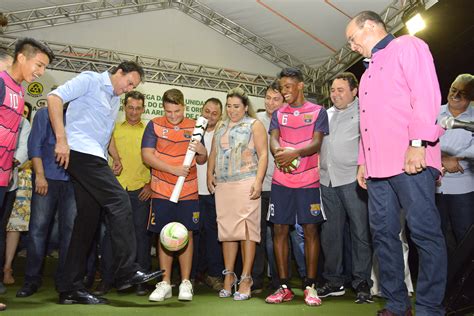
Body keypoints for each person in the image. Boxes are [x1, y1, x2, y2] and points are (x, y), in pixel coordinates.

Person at [347, 11, 447, 316]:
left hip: (410, 161)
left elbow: (427, 95)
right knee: (383, 237)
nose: (351, 46)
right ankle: (397, 304)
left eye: (352, 38)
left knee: (424, 234)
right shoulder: (366, 73)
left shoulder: (407, 45)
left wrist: (418, 144)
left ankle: (430, 308)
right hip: (377, 170)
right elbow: (368, 123)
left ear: (373, 26)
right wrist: (363, 161)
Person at [47, 61, 162, 305]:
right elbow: (54, 97)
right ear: (119, 72)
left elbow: (105, 132)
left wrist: (116, 157)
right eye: (129, 82)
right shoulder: (90, 79)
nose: (129, 88)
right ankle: (126, 270)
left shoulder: (113, 98)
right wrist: (61, 139)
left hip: (95, 155)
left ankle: (70, 287)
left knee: (87, 221)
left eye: (134, 86)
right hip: (79, 151)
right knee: (119, 201)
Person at [265, 67, 328, 307]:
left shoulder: (317, 111)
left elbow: (316, 143)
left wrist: (293, 153)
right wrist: (277, 151)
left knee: (311, 231)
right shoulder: (278, 113)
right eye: (282, 87)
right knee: (278, 231)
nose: (284, 91)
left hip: (308, 182)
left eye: (288, 87)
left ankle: (310, 285)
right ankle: (283, 287)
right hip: (282, 182)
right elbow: (273, 137)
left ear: (300, 85)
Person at [0, 40, 53, 311]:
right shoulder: (1, 82)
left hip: (3, 177)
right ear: (21, 57)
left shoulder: (18, 92)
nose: (41, 72)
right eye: (39, 65)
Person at [142, 88, 207, 302]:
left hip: (188, 192)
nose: (173, 116)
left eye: (177, 111)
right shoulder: (155, 124)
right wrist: (173, 170)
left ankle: (186, 282)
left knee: (186, 234)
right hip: (161, 190)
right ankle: (165, 283)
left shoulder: (195, 126)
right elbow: (147, 156)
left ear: (184, 107)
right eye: (169, 111)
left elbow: (202, 159)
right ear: (163, 108)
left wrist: (201, 150)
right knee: (165, 235)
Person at [207, 87, 268, 301]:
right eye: (229, 106)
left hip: (246, 182)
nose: (232, 110)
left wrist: (258, 181)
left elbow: (262, 154)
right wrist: (209, 174)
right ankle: (229, 277)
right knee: (227, 232)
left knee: (247, 230)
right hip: (224, 185)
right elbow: (213, 153)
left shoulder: (255, 125)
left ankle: (246, 278)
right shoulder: (221, 126)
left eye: (236, 106)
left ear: (245, 107)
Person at [318, 72, 373, 303]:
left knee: (360, 232)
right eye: (332, 90)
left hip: (353, 179)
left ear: (354, 91)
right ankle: (334, 281)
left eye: (341, 90)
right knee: (330, 233)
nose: (335, 94)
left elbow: (370, 144)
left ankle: (361, 282)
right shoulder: (325, 114)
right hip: (326, 180)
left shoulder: (365, 112)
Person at [94, 90, 153, 297]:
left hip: (141, 191)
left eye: (138, 108)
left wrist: (150, 184)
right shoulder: (113, 129)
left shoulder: (149, 131)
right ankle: (107, 280)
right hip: (115, 190)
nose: (134, 112)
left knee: (140, 237)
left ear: (143, 109)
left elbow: (156, 159)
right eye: (130, 108)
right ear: (124, 107)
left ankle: (141, 281)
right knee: (111, 237)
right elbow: (100, 155)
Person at [16, 105, 77, 298]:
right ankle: (31, 280)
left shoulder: (80, 116)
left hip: (73, 182)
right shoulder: (44, 114)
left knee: (70, 232)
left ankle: (63, 281)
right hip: (46, 180)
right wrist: (40, 176)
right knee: (37, 230)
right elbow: (34, 146)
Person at [436, 74, 474, 251]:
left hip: (463, 189)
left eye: (463, 93)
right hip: (434, 188)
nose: (455, 95)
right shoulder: (433, 112)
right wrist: (443, 159)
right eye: (453, 89)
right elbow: (419, 142)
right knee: (437, 238)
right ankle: (446, 277)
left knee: (464, 237)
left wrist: (457, 158)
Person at [194, 97, 224, 291]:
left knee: (214, 235)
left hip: (216, 192)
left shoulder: (224, 133)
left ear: (220, 115)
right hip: (192, 191)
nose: (210, 116)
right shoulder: (193, 131)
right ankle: (193, 274)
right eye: (207, 111)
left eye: (214, 113)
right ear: (201, 111)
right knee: (194, 234)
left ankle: (214, 274)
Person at [3, 103, 32, 286]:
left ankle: (7, 268)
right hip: (5, 177)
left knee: (13, 227)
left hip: (19, 183)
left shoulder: (25, 126)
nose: (22, 113)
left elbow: (24, 151)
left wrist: (10, 161)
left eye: (26, 113)